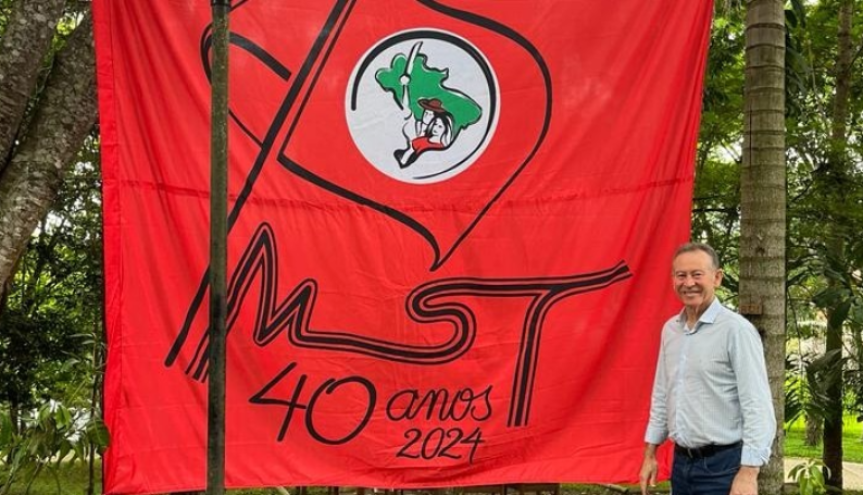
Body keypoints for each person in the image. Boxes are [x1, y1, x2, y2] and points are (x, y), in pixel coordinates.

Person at [640, 242, 776, 495]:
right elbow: (662, 393)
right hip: (681, 466)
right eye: (681, 275)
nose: (688, 282)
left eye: (697, 274)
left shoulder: (736, 331)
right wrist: (650, 454)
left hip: (723, 468)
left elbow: (757, 405)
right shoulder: (671, 330)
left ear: (717, 278)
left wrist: (748, 473)